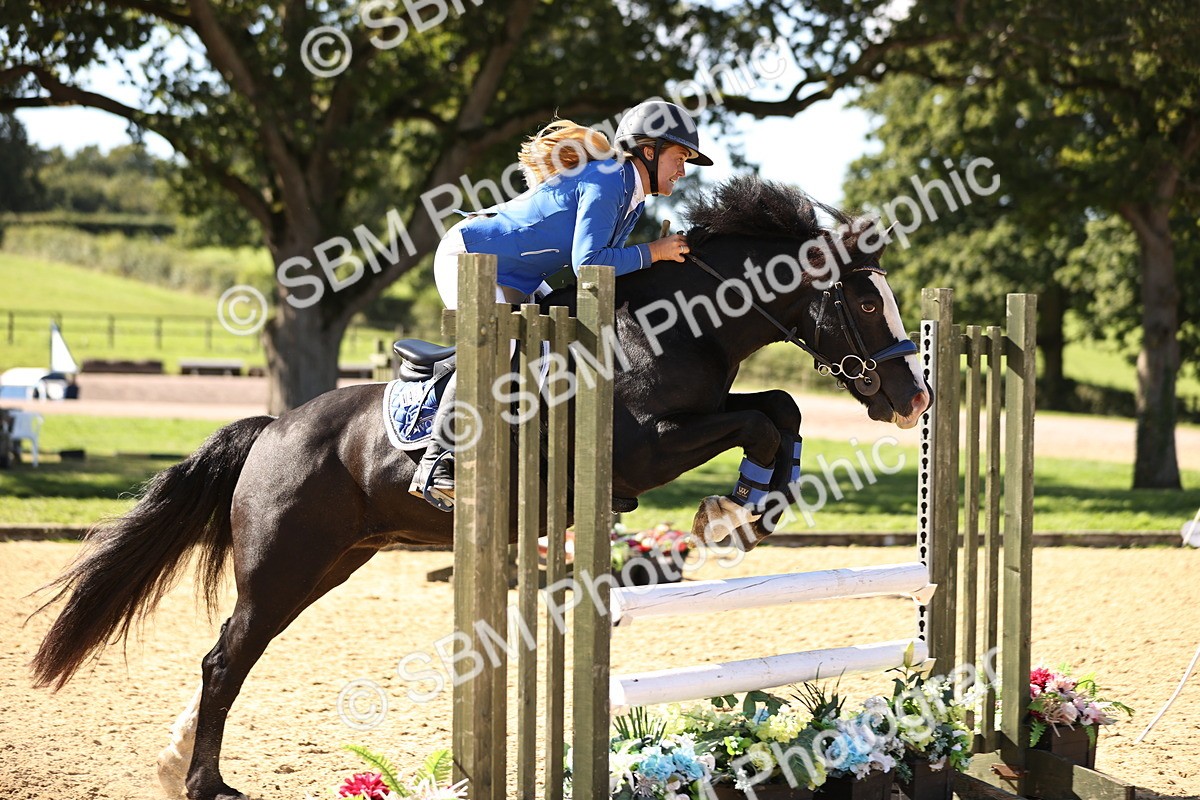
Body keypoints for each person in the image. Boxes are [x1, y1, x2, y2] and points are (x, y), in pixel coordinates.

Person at [410, 99, 713, 509]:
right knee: (504, 344)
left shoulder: (632, 196)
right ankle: (438, 460)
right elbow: (589, 263)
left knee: (559, 349)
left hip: (517, 276)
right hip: (470, 257)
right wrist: (654, 252)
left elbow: (603, 271)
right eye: (679, 158)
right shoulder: (609, 179)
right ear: (649, 150)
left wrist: (657, 264)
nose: (682, 170)